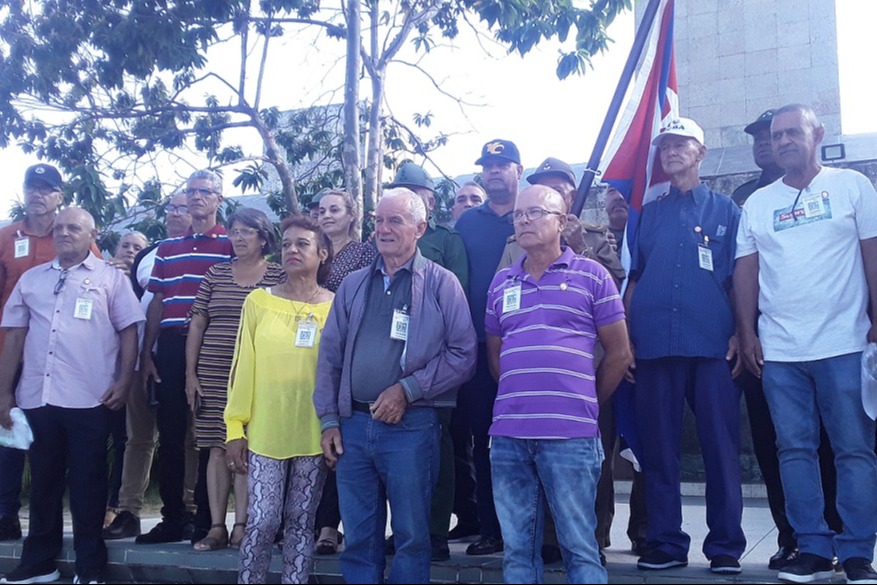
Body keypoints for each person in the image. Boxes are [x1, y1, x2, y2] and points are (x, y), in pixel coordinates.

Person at [735, 103, 877, 584]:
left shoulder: (852, 187)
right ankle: (812, 548)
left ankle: (857, 552)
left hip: (845, 344)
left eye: (793, 132)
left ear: (817, 135)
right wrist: (748, 331)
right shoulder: (756, 203)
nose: (783, 141)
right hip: (781, 352)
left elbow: (871, 254)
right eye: (777, 136)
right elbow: (746, 272)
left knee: (854, 449)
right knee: (793, 450)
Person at [314, 188, 476, 583]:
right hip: (352, 425)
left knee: (411, 537)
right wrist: (329, 420)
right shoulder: (352, 285)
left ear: (420, 228)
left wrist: (408, 389)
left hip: (412, 428)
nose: (383, 229)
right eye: (378, 221)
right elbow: (330, 356)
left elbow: (463, 353)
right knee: (359, 539)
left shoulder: (442, 283)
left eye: (395, 221)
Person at [485, 185, 632, 583]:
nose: (524, 221)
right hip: (510, 437)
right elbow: (497, 357)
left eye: (535, 213)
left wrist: (583, 400)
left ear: (562, 222)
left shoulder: (593, 276)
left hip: (571, 436)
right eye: (519, 215)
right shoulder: (501, 283)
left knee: (580, 548)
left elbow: (619, 353)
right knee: (517, 553)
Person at [626, 118, 745, 574]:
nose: (672, 151)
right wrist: (627, 341)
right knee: (658, 450)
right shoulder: (649, 214)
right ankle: (666, 543)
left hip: (713, 344)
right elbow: (634, 278)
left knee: (720, 446)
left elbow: (739, 278)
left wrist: (741, 331)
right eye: (666, 146)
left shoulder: (726, 210)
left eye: (682, 144)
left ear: (701, 152)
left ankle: (726, 547)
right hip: (654, 345)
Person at [0, 208, 143, 585]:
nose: (64, 233)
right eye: (59, 227)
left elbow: (130, 330)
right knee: (44, 481)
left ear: (91, 234)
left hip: (90, 397)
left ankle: (89, 566)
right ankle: (39, 563)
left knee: (88, 483)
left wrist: (125, 381)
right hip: (37, 395)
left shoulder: (110, 279)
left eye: (74, 227)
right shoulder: (31, 280)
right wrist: (4, 393)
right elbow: (14, 335)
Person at [226, 215, 334, 584]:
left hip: (314, 429)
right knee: (263, 519)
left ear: (322, 253)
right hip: (265, 430)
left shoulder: (336, 307)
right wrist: (234, 428)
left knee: (301, 522)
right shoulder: (259, 301)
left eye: (302, 244)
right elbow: (242, 367)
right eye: (286, 243)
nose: (291, 250)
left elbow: (338, 371)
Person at [0, 163, 100, 544]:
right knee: (9, 431)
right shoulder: (8, 236)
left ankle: (59, 524)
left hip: (62, 356)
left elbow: (98, 288)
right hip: (13, 347)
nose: (37, 195)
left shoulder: (75, 233)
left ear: (60, 196)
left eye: (46, 189)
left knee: (53, 444)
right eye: (31, 187)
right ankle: (6, 513)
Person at [137, 170, 234, 545]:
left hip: (214, 344)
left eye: (203, 191)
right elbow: (157, 303)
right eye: (190, 192)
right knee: (172, 434)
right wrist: (148, 353)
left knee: (213, 434)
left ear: (218, 199)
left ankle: (209, 519)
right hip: (172, 347)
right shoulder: (167, 249)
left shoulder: (230, 243)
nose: (195, 197)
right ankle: (172, 516)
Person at [185, 208, 284, 552]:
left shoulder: (277, 275)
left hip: (257, 377)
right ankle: (216, 527)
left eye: (247, 232)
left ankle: (243, 525)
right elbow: (197, 323)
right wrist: (190, 374)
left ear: (263, 237)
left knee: (246, 450)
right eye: (234, 231)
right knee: (216, 449)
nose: (239, 238)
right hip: (212, 374)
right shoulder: (215, 273)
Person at [384, 162, 469, 561]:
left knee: (439, 445)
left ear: (430, 202)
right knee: (391, 451)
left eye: (414, 192)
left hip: (436, 363)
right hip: (388, 361)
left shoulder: (446, 240)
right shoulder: (382, 237)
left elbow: (457, 298)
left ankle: (435, 530)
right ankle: (402, 528)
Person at [103, 193, 200, 540]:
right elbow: (128, 306)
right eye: (171, 207)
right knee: (138, 437)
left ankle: (189, 509)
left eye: (184, 207)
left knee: (189, 437)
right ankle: (128, 510)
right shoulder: (150, 253)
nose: (177, 213)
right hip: (143, 358)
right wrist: (139, 358)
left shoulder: (208, 252)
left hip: (186, 359)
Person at [453, 138, 522, 556]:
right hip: (477, 345)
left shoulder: (531, 212)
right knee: (482, 437)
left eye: (502, 164)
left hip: (526, 346)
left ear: (518, 168)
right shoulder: (468, 223)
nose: (494, 171)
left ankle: (532, 530)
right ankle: (491, 529)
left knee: (526, 437)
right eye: (488, 165)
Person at [312, 188, 377, 555]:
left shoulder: (365, 254)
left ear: (351, 214)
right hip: (305, 353)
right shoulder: (311, 250)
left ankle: (329, 525)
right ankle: (302, 519)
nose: (327, 215)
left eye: (335, 209)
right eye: (322, 210)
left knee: (340, 440)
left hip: (347, 354)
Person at [103, 230, 150, 529]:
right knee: (103, 441)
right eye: (126, 245)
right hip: (102, 371)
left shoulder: (145, 283)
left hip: (134, 372)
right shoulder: (101, 277)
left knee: (129, 439)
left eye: (138, 247)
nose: (130, 251)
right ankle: (103, 504)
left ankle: (115, 506)